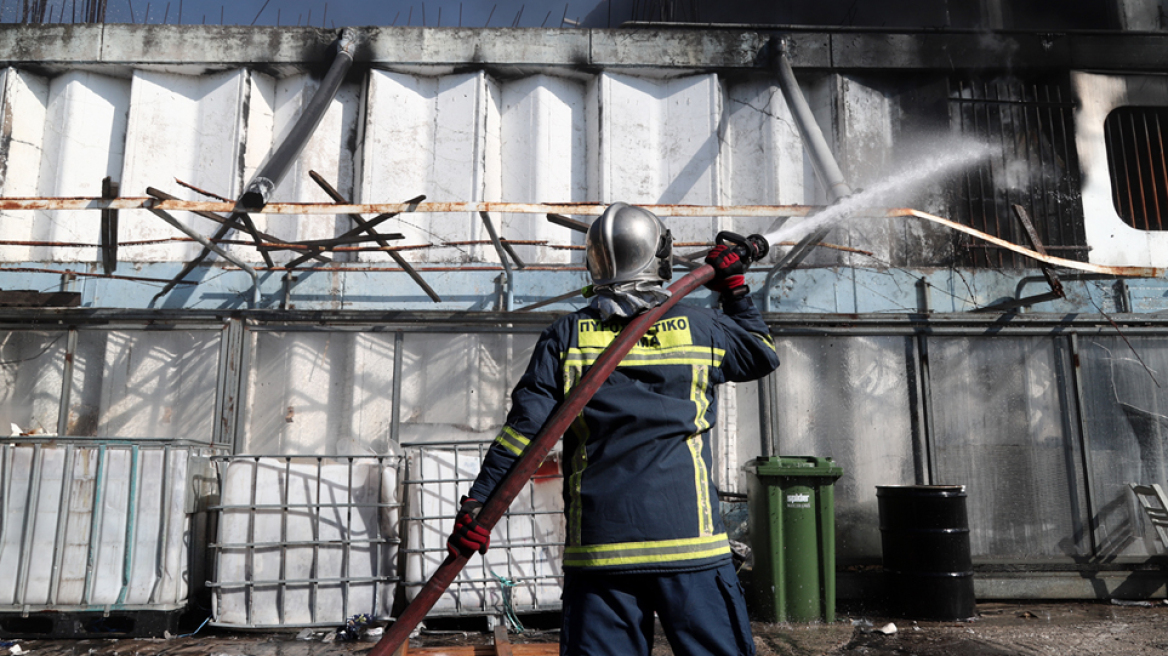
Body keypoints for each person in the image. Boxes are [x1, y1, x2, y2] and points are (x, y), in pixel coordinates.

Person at [447, 202, 780, 656]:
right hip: (690, 547)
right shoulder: (702, 328)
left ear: (594, 263)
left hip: (601, 553)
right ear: (659, 255)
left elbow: (523, 434)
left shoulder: (567, 337)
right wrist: (735, 290)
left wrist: (479, 502)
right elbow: (761, 353)